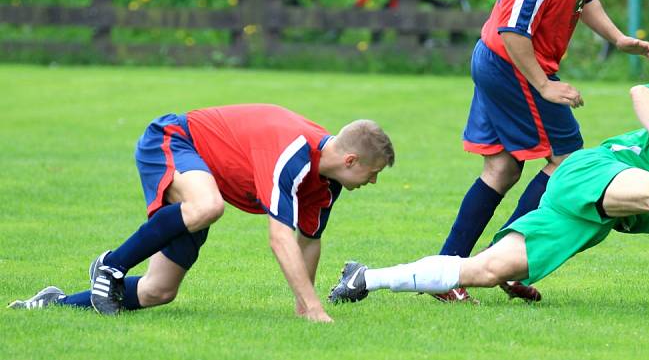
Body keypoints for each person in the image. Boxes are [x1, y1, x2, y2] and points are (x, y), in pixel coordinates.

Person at [329, 84, 649, 307]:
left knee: (485, 270)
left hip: (589, 218)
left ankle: (363, 278)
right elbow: (642, 92)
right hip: (591, 170)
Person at [435, 0, 649, 302]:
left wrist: (617, 38)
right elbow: (513, 30)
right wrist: (545, 86)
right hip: (512, 65)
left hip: (501, 61)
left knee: (501, 170)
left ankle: (447, 272)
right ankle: (505, 264)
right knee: (567, 159)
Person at [8, 104, 394, 323]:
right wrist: (314, 309)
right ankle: (110, 265)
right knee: (208, 206)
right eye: (372, 173)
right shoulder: (293, 156)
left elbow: (308, 240)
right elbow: (279, 238)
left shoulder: (327, 185)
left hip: (204, 177)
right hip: (174, 140)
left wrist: (304, 304)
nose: (372, 183)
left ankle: (52, 302)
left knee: (158, 292)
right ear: (350, 159)